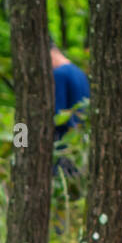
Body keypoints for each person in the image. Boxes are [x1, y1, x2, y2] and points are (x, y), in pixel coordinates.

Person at [51, 38, 90, 182]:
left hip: (64, 142)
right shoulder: (78, 72)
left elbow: (58, 114)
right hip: (79, 140)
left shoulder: (59, 74)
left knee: (62, 182)